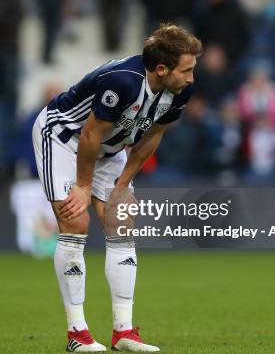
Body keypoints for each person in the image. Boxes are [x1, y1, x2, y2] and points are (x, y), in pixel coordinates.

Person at [32, 24, 202, 352]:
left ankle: (123, 332)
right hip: (64, 137)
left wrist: (122, 185)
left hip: (110, 149)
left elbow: (153, 135)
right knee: (75, 222)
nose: (192, 78)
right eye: (187, 70)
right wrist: (82, 186)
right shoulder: (123, 81)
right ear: (162, 69)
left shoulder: (180, 91)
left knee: (120, 221)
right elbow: (90, 135)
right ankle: (76, 334)